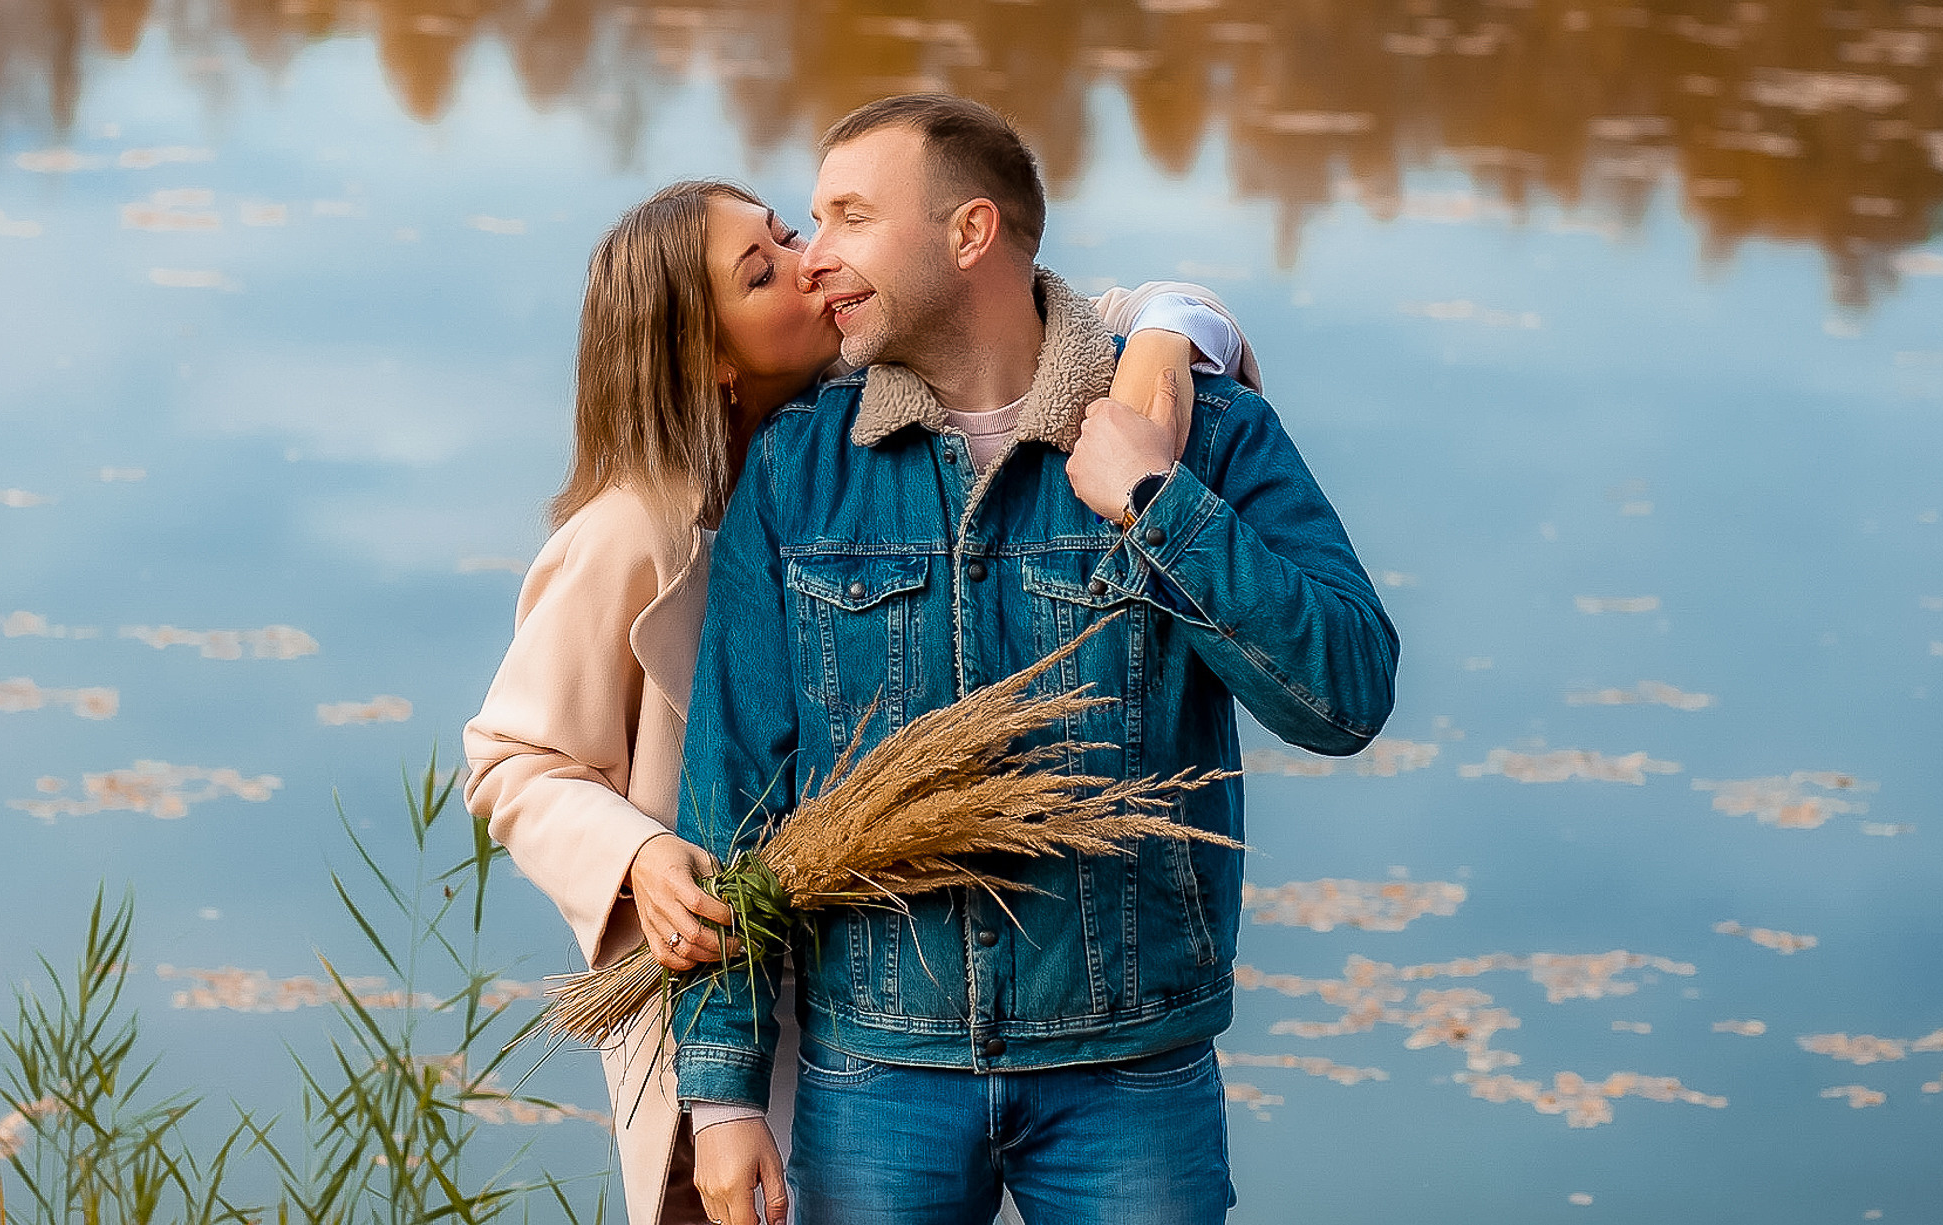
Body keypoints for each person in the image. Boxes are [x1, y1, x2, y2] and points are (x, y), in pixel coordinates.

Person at [462, 175, 1260, 1225]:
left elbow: (1091, 310)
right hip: (727, 977)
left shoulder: (872, 403)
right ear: (707, 355)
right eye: (763, 271)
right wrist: (639, 854)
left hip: (892, 993)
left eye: (789, 231)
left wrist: (1167, 334)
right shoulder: (631, 535)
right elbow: (511, 758)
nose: (812, 262)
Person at [674, 96, 1399, 1225]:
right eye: (813, 221)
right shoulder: (799, 468)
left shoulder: (1202, 430)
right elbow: (736, 791)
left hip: (1131, 1072)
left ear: (969, 232)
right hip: (879, 1070)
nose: (813, 258)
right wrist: (721, 1093)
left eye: (851, 217)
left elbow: (1347, 693)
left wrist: (1158, 501)